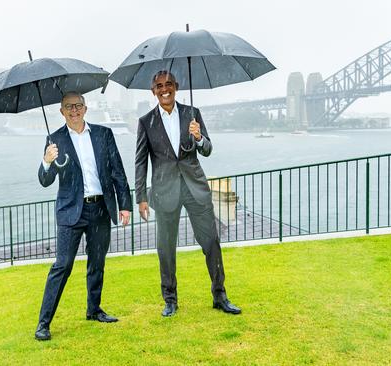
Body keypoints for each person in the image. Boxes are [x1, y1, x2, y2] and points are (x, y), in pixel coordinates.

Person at [135, 70, 241, 317]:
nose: (165, 89)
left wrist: (199, 136)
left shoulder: (192, 114)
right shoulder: (145, 122)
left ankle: (220, 295)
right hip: (164, 192)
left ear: (176, 87)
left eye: (169, 84)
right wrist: (141, 197)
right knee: (166, 248)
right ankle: (170, 300)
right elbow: (140, 162)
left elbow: (207, 149)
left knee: (211, 242)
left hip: (195, 189)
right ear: (154, 91)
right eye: (159, 86)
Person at [34, 91, 132, 341]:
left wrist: (125, 204)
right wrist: (46, 161)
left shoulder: (103, 134)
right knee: (62, 266)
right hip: (70, 213)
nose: (74, 110)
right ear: (62, 111)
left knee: (97, 263)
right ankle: (43, 324)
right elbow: (45, 181)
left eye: (78, 105)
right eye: (69, 106)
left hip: (100, 208)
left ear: (86, 109)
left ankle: (94, 309)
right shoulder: (54, 140)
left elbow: (117, 170)